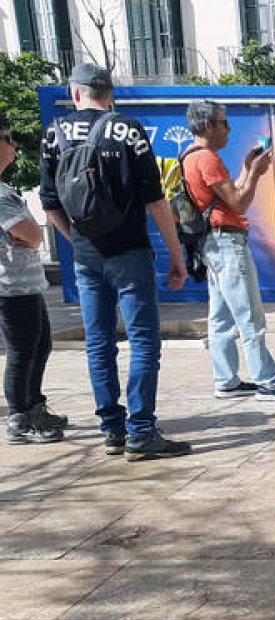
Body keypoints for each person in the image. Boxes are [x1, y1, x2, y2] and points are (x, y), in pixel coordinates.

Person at [40, 63, 190, 461]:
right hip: (131, 252)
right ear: (111, 94)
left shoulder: (54, 134)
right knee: (143, 340)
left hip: (88, 258)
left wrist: (78, 240)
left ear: (75, 93)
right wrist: (177, 255)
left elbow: (50, 204)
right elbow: (155, 200)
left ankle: (112, 429)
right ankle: (142, 430)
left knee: (99, 342)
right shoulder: (128, 130)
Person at [182, 100, 275, 402]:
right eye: (224, 123)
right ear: (208, 125)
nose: (229, 129)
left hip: (212, 243)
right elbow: (238, 203)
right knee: (250, 315)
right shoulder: (207, 159)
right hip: (227, 242)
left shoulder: (189, 155)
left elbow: (229, 194)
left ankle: (226, 379)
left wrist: (248, 169)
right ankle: (268, 382)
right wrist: (258, 174)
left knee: (221, 316)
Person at [1, 113, 65, 444]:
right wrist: (29, 237)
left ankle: (34, 406)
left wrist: (27, 237)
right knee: (22, 350)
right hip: (10, 286)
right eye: (8, 139)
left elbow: (27, 235)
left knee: (40, 345)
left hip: (24, 282)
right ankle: (19, 417)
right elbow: (31, 233)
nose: (14, 145)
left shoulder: (4, 189)